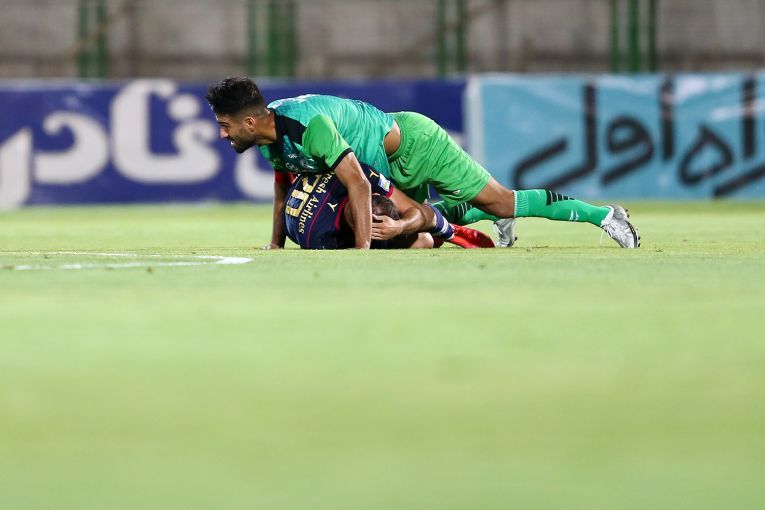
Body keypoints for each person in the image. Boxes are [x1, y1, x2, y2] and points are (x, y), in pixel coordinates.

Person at [205, 77, 640, 249]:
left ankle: (604, 215)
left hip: (416, 143)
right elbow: (283, 188)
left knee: (501, 201)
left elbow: (358, 185)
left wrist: (361, 252)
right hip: (382, 164)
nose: (222, 135)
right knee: (415, 226)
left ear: (249, 121)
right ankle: (480, 215)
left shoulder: (308, 124)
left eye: (225, 125)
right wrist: (276, 244)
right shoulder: (268, 140)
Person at [281, 163, 494, 250]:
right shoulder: (321, 237)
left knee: (419, 222)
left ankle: (453, 222)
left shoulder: (362, 174)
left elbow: (419, 212)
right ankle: (457, 218)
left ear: (374, 193)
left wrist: (400, 226)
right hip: (302, 219)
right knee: (423, 241)